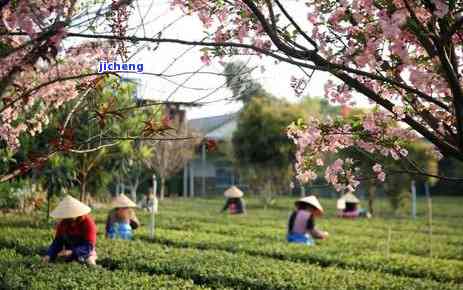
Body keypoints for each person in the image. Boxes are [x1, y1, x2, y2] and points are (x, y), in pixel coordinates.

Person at [42, 195, 97, 265]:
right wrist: (49, 255)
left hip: (85, 252)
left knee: (90, 262)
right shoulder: (63, 223)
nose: (69, 218)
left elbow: (89, 246)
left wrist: (72, 252)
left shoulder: (88, 223)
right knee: (53, 261)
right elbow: (57, 242)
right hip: (67, 252)